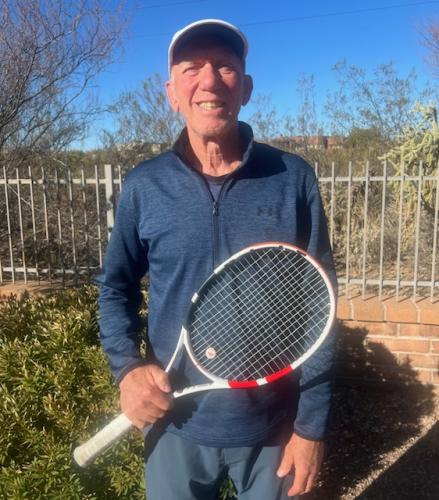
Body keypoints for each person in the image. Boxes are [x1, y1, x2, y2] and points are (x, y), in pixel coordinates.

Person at [97, 19, 337, 500]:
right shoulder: (146, 186)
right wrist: (126, 368)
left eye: (225, 67)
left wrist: (311, 428)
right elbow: (115, 287)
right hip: (175, 426)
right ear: (171, 92)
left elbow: (321, 311)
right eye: (191, 69)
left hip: (273, 428)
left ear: (245, 88)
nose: (209, 81)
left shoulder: (292, 177)